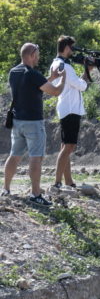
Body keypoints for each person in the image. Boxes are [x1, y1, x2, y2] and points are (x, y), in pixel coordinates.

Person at [3, 42, 65, 206]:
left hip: (18, 122)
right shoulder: (33, 74)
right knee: (35, 158)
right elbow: (55, 92)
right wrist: (63, 79)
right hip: (33, 123)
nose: (38, 57)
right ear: (31, 55)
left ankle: (6, 189)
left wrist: (51, 78)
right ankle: (35, 194)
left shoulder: (14, 72)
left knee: (14, 156)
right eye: (36, 54)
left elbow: (33, 87)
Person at [50, 35, 88, 193]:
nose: (73, 51)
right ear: (66, 48)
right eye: (72, 48)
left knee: (65, 146)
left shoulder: (56, 63)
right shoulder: (65, 66)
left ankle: (68, 181)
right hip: (71, 109)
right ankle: (57, 183)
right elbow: (81, 86)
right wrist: (87, 71)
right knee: (68, 146)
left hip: (66, 108)